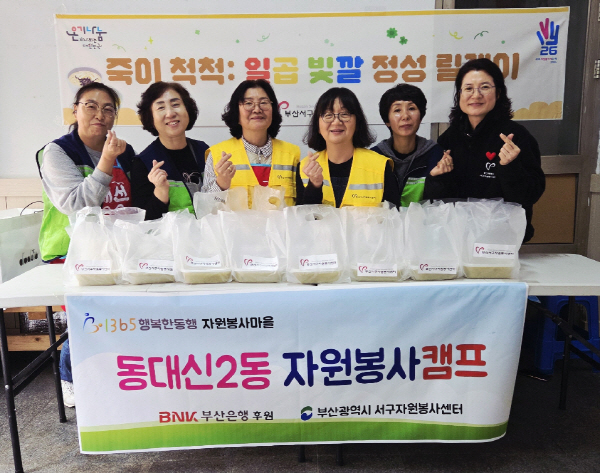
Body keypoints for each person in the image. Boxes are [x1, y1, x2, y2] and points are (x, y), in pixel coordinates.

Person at [36, 82, 136, 407]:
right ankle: (70, 377)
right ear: (75, 110)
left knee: (121, 317)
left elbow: (135, 202)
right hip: (70, 252)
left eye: (108, 109)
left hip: (115, 250)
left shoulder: (125, 151)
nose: (99, 114)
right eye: (90, 106)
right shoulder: (57, 152)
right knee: (86, 316)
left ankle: (115, 376)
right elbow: (77, 204)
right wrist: (106, 161)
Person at [424, 58, 545, 242]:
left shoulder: (516, 137)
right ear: (459, 94)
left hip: (501, 239)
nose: (476, 95)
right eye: (468, 88)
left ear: (498, 93)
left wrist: (510, 167)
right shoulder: (450, 137)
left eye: (485, 87)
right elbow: (439, 200)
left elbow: (530, 195)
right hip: (458, 238)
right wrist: (436, 178)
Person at [201, 79, 300, 207]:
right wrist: (221, 185)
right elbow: (205, 209)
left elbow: (301, 206)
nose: (257, 109)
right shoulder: (218, 155)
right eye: (248, 103)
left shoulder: (292, 154)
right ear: (236, 112)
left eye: (263, 102)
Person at [298, 87, 400, 207]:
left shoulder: (380, 166)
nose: (336, 121)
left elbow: (394, 216)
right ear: (318, 125)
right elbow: (301, 216)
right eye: (328, 115)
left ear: (357, 123)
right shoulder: (304, 168)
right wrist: (314, 185)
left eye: (344, 114)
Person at [131, 82, 209, 220]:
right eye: (161, 107)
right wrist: (160, 191)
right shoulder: (143, 162)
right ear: (150, 117)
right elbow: (143, 221)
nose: (170, 113)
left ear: (187, 110)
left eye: (175, 104)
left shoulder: (203, 151)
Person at [371, 83, 443, 206]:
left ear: (421, 117)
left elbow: (440, 205)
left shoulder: (436, 155)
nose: (405, 116)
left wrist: (436, 179)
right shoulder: (375, 157)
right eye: (397, 110)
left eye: (411, 108)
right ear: (387, 121)